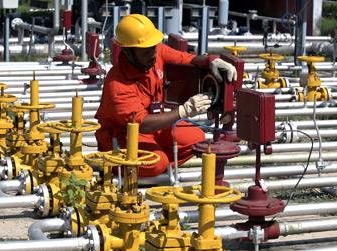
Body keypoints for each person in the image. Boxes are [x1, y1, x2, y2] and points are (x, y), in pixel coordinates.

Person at [94, 14, 237, 177]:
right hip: (124, 135)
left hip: (156, 125)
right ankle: (119, 167)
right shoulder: (117, 84)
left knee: (198, 140)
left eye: (154, 47)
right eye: (146, 51)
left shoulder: (156, 51)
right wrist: (184, 111)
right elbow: (142, 124)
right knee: (156, 163)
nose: (153, 54)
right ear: (128, 51)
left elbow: (187, 60)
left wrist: (211, 60)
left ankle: (156, 165)